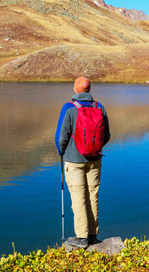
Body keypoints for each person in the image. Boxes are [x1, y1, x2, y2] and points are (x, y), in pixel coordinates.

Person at [55, 77, 111, 248]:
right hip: (95, 160)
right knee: (92, 195)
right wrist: (95, 149)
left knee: (78, 197)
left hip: (74, 161)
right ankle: (93, 235)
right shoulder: (99, 107)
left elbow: (60, 137)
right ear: (89, 89)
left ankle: (82, 237)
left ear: (75, 88)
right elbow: (106, 135)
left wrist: (61, 152)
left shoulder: (69, 108)